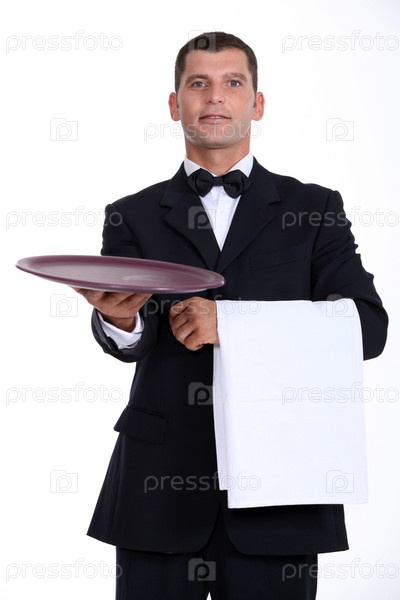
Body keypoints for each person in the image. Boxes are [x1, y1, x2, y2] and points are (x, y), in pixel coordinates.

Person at [75, 31, 388, 600]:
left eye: (232, 82)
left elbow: (367, 329)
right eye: (198, 83)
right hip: (158, 487)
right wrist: (120, 322)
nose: (215, 96)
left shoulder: (315, 208)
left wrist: (234, 326)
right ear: (175, 104)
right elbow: (133, 337)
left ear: (257, 103)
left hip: (282, 485)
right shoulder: (130, 214)